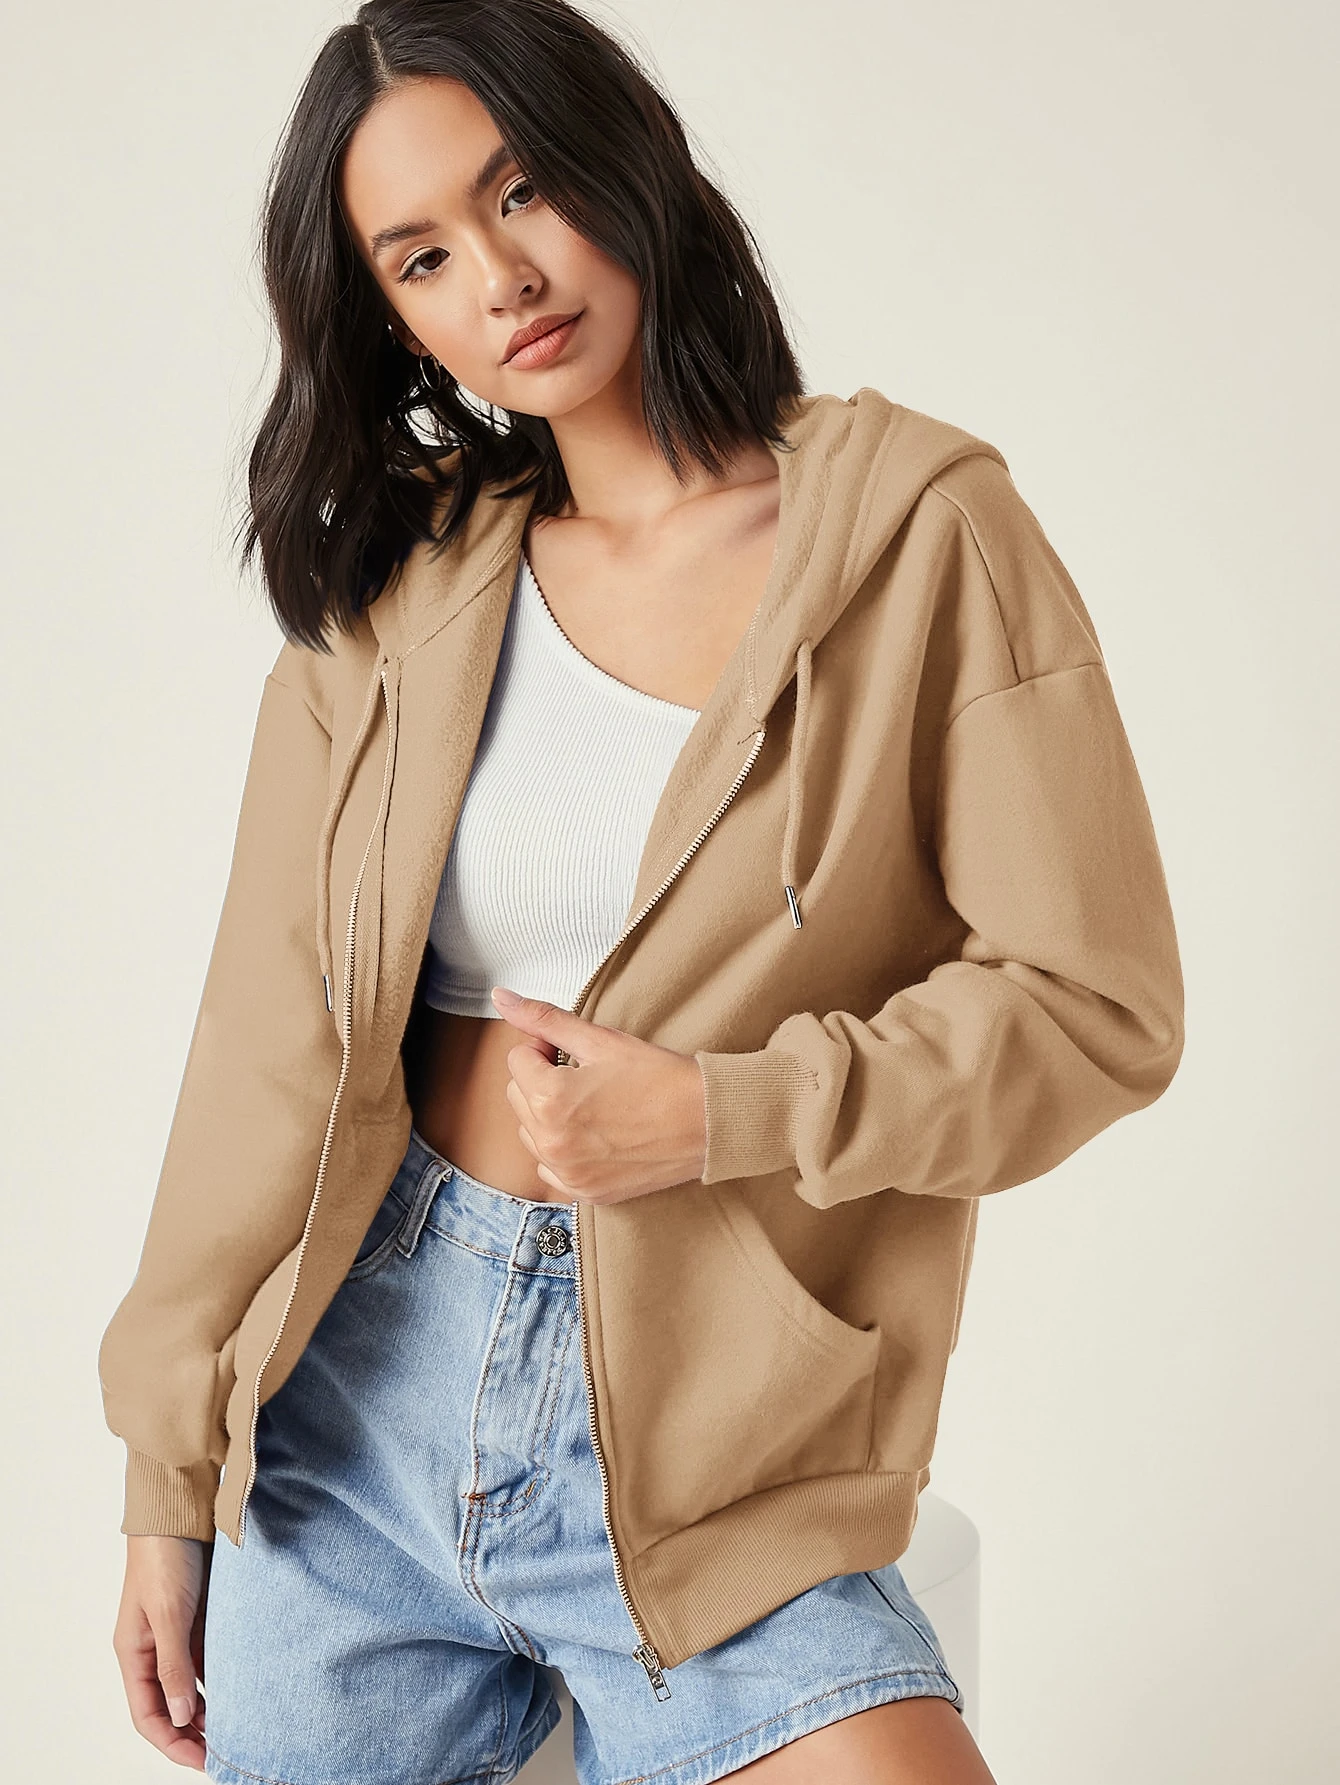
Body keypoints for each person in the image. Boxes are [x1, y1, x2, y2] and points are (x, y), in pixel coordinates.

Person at [97, 2, 1185, 1781]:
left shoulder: (924, 530)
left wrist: (725, 1111)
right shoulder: (400, 590)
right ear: (392, 316)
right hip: (357, 1421)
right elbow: (268, 1044)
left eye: (523, 189)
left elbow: (1094, 1004)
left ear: (626, 161)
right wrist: (169, 1477)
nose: (503, 279)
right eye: (424, 258)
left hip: (720, 1443)